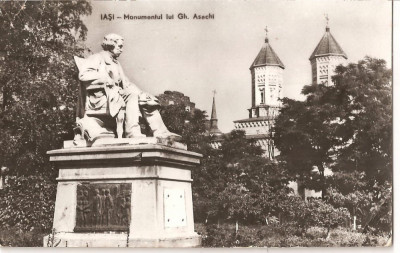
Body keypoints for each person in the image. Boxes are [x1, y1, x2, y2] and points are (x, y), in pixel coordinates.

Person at [77, 33, 179, 139]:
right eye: (120, 46)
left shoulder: (116, 63)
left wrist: (141, 93)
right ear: (111, 45)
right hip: (103, 96)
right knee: (132, 95)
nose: (122, 50)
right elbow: (84, 75)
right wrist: (106, 79)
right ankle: (132, 132)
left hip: (119, 94)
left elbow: (127, 83)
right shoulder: (97, 58)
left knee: (145, 98)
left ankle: (161, 132)